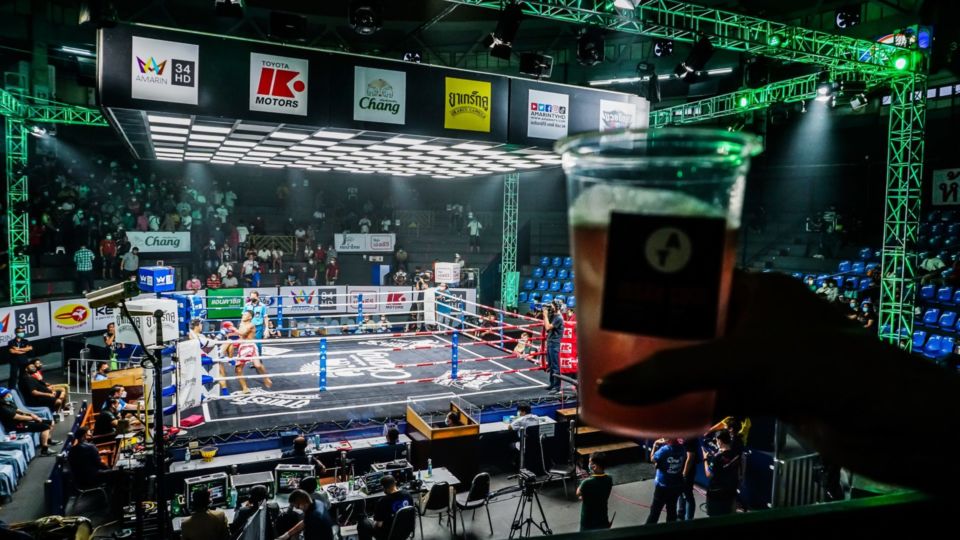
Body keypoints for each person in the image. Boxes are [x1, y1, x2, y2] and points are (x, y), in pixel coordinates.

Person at [0, 387, 58, 455]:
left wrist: (30, 414)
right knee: (45, 427)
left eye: (8, 393)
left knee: (51, 422)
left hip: (21, 422)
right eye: (7, 395)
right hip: (15, 426)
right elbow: (18, 417)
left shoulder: (8, 402)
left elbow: (17, 410)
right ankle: (44, 450)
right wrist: (33, 418)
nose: (9, 395)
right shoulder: (2, 407)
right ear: (1, 398)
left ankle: (48, 440)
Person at [358, 475, 413, 540]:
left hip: (388, 535)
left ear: (383, 488)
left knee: (363, 523)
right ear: (395, 482)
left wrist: (373, 521)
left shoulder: (383, 501)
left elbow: (379, 525)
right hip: (406, 531)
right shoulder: (408, 495)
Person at [702, 430, 742, 516]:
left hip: (716, 494)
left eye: (716, 440)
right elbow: (738, 474)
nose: (716, 442)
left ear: (720, 441)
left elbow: (708, 474)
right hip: (730, 492)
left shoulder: (717, 457)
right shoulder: (736, 455)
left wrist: (705, 460)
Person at [646, 438, 686, 524]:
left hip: (663, 485)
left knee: (654, 512)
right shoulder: (682, 448)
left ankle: (647, 532)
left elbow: (652, 459)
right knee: (672, 512)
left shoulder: (664, 449)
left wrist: (655, 444)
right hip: (675, 485)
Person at [234, 310, 272, 393]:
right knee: (238, 369)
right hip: (243, 347)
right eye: (243, 314)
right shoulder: (242, 324)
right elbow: (240, 337)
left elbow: (242, 333)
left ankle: (266, 378)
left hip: (250, 346)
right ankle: (245, 388)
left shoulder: (251, 325)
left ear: (250, 317)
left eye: (245, 315)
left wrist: (230, 328)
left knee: (257, 365)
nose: (243, 316)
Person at [577, 451, 613, 531]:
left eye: (590, 463)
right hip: (603, 518)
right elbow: (601, 493)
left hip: (588, 521)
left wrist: (584, 482)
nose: (589, 464)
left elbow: (578, 493)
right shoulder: (609, 479)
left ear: (594, 467)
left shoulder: (586, 483)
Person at [677, 437, 701, 521]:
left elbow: (690, 456)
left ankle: (689, 520)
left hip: (687, 471)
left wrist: (684, 474)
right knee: (680, 492)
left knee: (688, 495)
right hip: (679, 469)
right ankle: (680, 516)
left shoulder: (690, 436)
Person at [542, 302, 564, 393]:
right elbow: (546, 324)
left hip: (555, 344)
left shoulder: (559, 318)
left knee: (555, 366)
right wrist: (546, 315)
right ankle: (552, 384)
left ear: (556, 307)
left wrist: (545, 315)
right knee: (551, 365)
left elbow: (547, 327)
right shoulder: (554, 316)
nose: (550, 308)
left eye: (551, 307)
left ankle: (557, 387)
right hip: (550, 342)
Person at [244, 291, 269, 355]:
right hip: (249, 327)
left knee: (258, 344)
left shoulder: (262, 306)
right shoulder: (247, 305)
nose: (252, 298)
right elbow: (243, 317)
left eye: (254, 297)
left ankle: (259, 361)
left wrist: (266, 328)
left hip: (258, 327)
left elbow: (265, 317)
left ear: (257, 297)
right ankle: (253, 362)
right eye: (251, 297)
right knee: (249, 345)